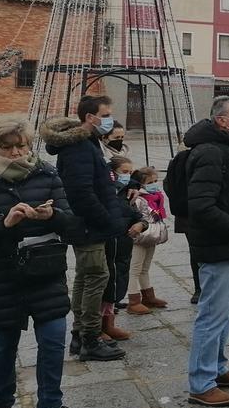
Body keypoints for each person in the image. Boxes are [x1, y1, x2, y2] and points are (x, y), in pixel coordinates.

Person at [0, 121, 90, 408]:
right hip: (0, 277)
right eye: (7, 147)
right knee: (2, 345)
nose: (16, 153)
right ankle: (0, 405)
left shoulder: (47, 174)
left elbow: (72, 223)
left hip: (45, 273)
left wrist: (52, 215)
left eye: (22, 146)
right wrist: (4, 223)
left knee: (54, 341)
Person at [41, 95, 136, 362]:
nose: (109, 119)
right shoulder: (80, 147)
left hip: (88, 224)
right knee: (95, 278)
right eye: (105, 115)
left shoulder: (88, 142)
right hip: (88, 225)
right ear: (89, 117)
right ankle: (90, 339)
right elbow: (81, 192)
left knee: (87, 278)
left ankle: (80, 335)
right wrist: (107, 219)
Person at [184, 96, 229, 407]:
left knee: (227, 311)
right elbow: (201, 205)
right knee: (211, 316)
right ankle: (201, 383)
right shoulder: (210, 152)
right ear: (221, 121)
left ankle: (217, 368)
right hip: (220, 247)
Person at [103, 155, 142, 339]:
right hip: (109, 244)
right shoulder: (106, 191)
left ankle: (109, 324)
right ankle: (100, 326)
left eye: (129, 172)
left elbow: (137, 215)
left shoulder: (127, 192)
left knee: (119, 281)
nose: (127, 176)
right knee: (106, 284)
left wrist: (141, 224)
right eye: (124, 172)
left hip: (124, 247)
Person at [125, 166, 169, 316]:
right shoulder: (136, 198)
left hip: (152, 235)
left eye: (156, 181)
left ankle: (148, 297)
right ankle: (133, 301)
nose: (154, 184)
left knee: (145, 267)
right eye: (150, 182)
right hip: (139, 236)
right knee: (135, 269)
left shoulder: (156, 196)